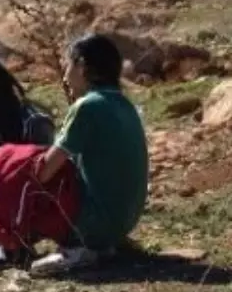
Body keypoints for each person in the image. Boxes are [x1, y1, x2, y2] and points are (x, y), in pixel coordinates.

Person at [29, 33, 148, 276]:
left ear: (81, 67)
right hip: (124, 221)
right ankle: (100, 244)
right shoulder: (123, 103)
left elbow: (43, 172)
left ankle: (77, 247)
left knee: (25, 177)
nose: (65, 76)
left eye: (68, 66)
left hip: (97, 225)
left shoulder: (87, 106)